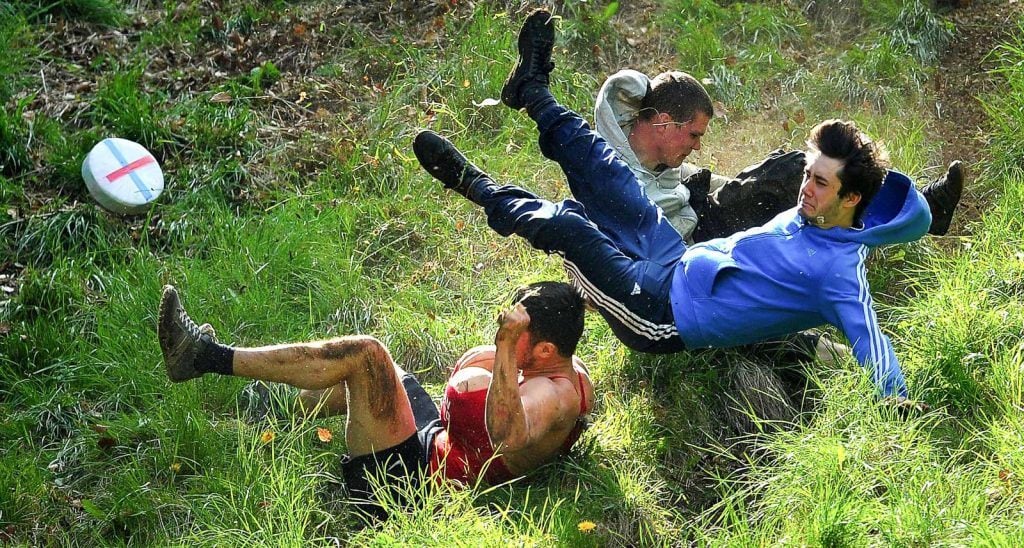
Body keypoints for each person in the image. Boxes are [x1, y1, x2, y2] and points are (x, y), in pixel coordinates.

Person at [413, 9, 937, 399]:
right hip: (671, 258)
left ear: (849, 197)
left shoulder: (840, 275)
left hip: (660, 314)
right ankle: (532, 90)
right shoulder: (814, 215)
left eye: (820, 182)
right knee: (609, 174)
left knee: (570, 225)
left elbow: (874, 344)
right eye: (808, 173)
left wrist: (897, 409)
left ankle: (471, 182)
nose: (806, 188)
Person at [156, 281, 594, 520]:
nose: (504, 331)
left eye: (516, 333)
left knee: (366, 357)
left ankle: (203, 357)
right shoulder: (556, 369)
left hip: (409, 485)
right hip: (433, 442)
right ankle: (272, 409)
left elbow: (507, 435)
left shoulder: (552, 397)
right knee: (387, 376)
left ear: (544, 352)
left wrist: (502, 347)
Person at [593, 69, 964, 243]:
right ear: (662, 122)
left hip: (702, 208)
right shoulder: (612, 175)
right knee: (792, 174)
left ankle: (910, 209)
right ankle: (921, 211)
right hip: (694, 250)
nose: (698, 144)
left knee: (782, 171)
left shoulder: (655, 150)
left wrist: (744, 184)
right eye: (693, 135)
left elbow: (690, 178)